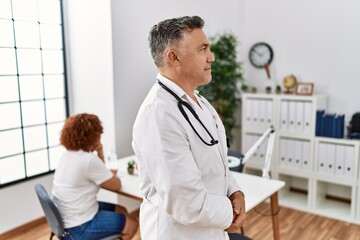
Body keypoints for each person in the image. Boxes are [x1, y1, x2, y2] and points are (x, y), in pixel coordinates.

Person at [132, 16, 245, 239]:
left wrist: (235, 191)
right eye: (202, 49)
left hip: (210, 229)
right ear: (173, 57)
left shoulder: (201, 104)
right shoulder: (158, 114)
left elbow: (217, 161)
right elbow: (187, 203)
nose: (211, 57)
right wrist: (230, 212)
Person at [52, 113, 138, 240]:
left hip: (66, 220)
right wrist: (101, 158)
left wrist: (100, 154)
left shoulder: (67, 155)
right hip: (79, 226)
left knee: (122, 210)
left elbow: (100, 173)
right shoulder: (88, 160)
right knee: (133, 224)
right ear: (92, 137)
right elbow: (116, 185)